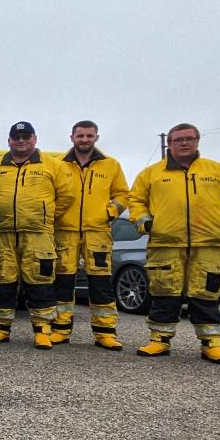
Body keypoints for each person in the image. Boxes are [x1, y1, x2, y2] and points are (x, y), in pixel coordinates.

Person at [128, 123, 220, 363]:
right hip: (165, 244)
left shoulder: (217, 170)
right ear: (169, 143)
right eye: (178, 139)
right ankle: (159, 341)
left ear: (197, 141)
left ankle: (212, 344)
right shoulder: (152, 173)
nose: (184, 143)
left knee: (206, 294)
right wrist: (146, 223)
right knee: (164, 293)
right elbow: (136, 200)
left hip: (208, 244)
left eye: (189, 139)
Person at [0, 121, 72, 349]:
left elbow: (66, 196)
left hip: (38, 234)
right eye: (16, 137)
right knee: (1, 281)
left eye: (26, 137)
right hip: (2, 233)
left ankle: (42, 330)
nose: (21, 141)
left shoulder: (52, 165)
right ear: (9, 141)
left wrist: (45, 215)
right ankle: (0, 328)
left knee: (40, 282)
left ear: (34, 139)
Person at [52, 120, 131, 349]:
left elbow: (123, 195)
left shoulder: (110, 165)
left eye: (89, 135)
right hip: (64, 231)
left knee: (100, 282)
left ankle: (105, 333)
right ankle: (60, 329)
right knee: (62, 281)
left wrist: (109, 212)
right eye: (80, 136)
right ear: (72, 138)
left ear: (96, 137)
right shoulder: (58, 164)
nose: (84, 139)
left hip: (97, 232)